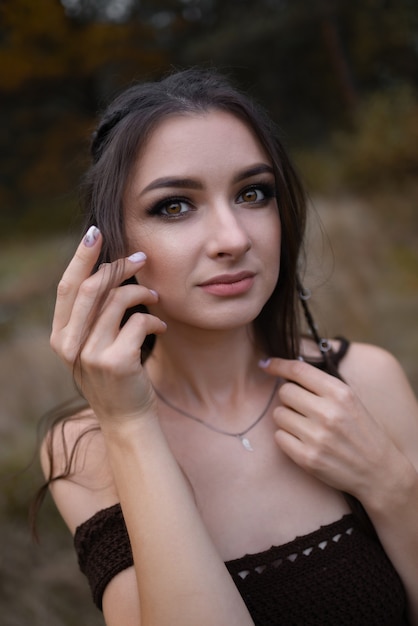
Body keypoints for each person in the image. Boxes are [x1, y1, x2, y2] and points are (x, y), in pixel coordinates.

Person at [38, 68, 418, 626]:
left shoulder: (365, 381)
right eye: (174, 206)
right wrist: (128, 425)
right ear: (112, 242)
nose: (234, 238)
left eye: (252, 194)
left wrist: (393, 488)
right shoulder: (85, 447)